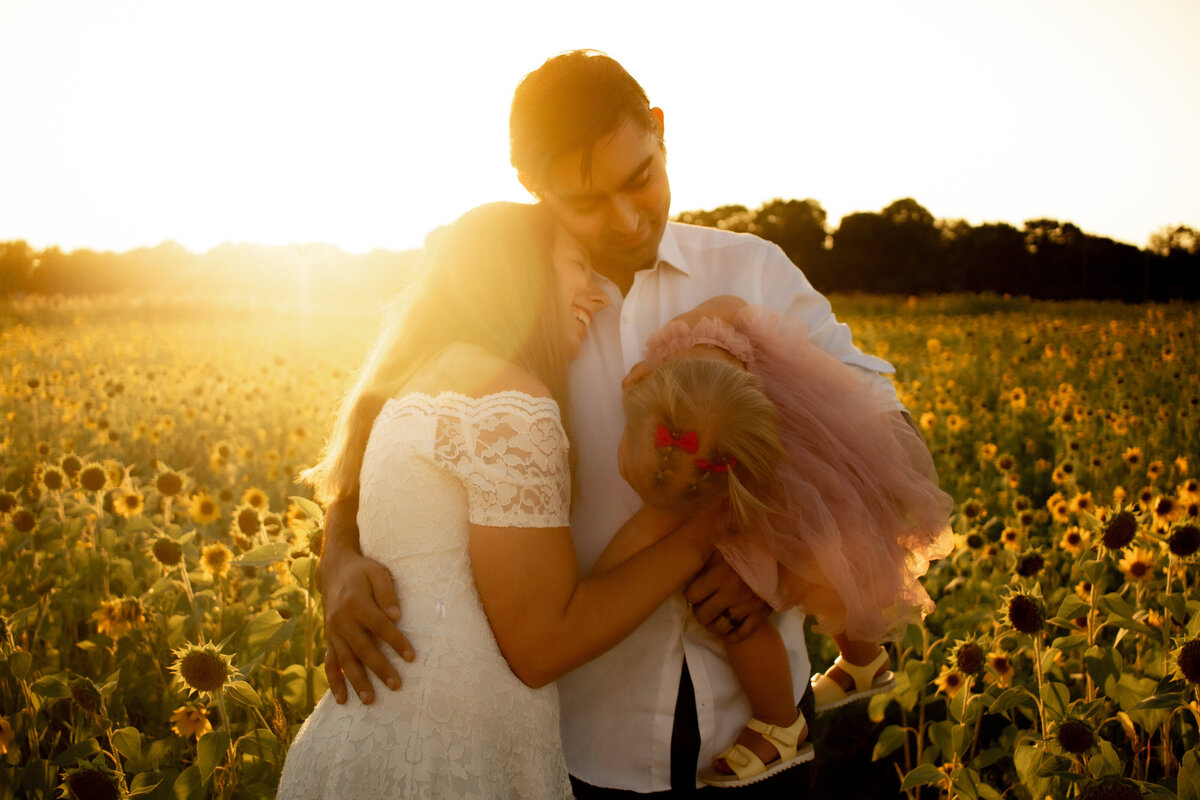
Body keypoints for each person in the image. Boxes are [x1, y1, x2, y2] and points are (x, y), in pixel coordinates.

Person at [316, 50, 921, 796]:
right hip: (578, 736)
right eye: (586, 201)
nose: (629, 218)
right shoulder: (514, 302)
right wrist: (338, 560)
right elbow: (395, 437)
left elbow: (888, 443)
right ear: (533, 189)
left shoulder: (753, 271)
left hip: (760, 726)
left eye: (640, 178)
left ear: (659, 131)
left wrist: (781, 570)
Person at [277, 201, 726, 798]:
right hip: (447, 753)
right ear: (520, 273)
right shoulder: (508, 402)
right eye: (576, 266)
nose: (595, 295)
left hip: (359, 741)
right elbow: (543, 645)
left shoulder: (416, 382)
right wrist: (699, 536)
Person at [612, 296, 954, 787]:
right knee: (823, 559)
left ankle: (780, 724)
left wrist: (600, 578)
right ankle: (864, 660)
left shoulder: (706, 412)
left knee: (733, 602)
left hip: (775, 470)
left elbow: (650, 528)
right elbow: (729, 306)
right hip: (799, 455)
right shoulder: (679, 358)